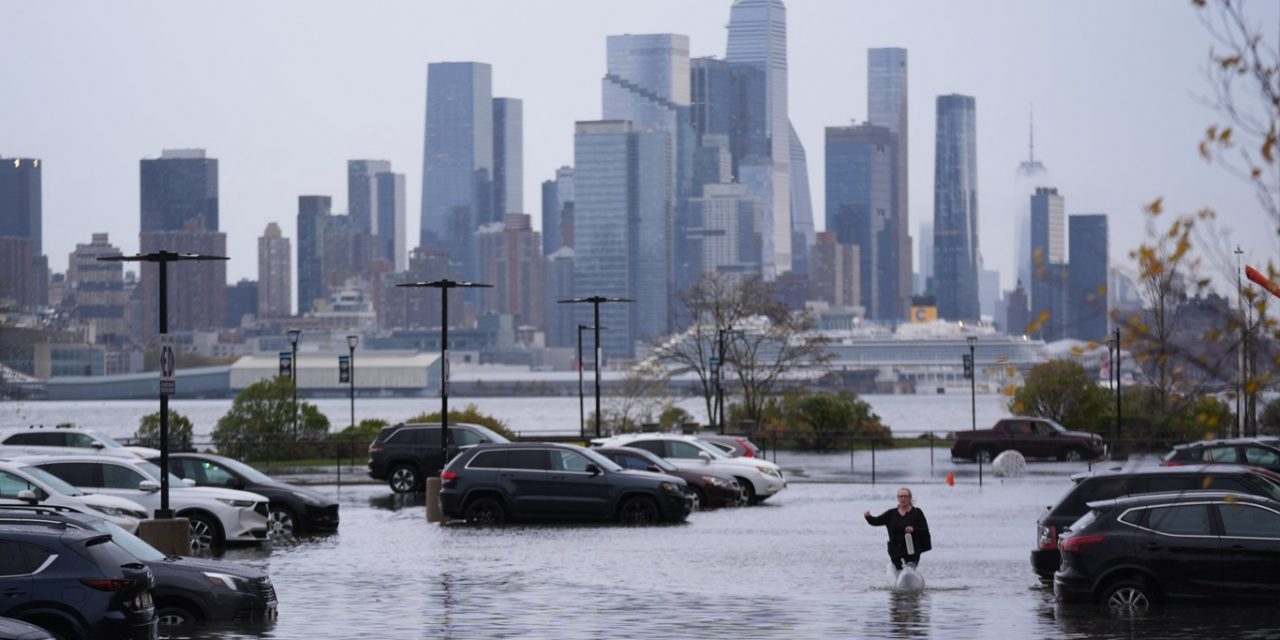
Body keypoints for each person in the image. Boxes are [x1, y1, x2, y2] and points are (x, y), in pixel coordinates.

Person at [865, 487, 931, 570]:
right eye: (900, 496)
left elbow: (924, 530)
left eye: (905, 496)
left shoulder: (917, 513)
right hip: (895, 550)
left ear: (910, 498)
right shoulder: (891, 513)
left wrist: (913, 529)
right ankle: (896, 579)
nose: (903, 498)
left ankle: (910, 577)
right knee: (898, 569)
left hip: (912, 550)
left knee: (910, 567)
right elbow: (876, 521)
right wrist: (868, 517)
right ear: (898, 498)